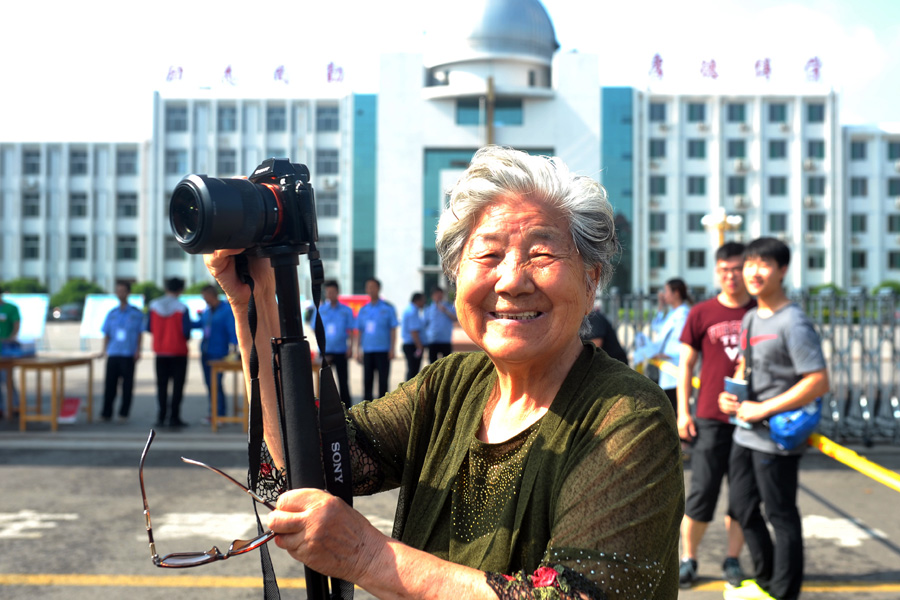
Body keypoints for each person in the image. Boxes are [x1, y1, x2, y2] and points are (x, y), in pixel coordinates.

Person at [204, 145, 683, 599]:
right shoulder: (450, 385)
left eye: (541, 253)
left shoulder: (626, 415)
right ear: (456, 276)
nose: (512, 280)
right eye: (488, 255)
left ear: (592, 278)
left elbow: (576, 594)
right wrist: (256, 303)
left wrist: (366, 555)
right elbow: (299, 467)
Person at [719, 238, 829, 600]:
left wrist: (764, 409)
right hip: (745, 434)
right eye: (749, 263)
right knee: (742, 509)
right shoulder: (751, 316)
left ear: (782, 270)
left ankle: (785, 591)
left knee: (781, 517)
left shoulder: (793, 321)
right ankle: (765, 579)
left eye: (763, 264)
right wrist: (732, 395)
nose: (753, 271)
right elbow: (746, 365)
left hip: (776, 439)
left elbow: (817, 381)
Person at [676, 243, 755, 589]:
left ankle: (733, 559)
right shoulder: (702, 313)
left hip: (752, 419)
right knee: (702, 492)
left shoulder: (759, 311)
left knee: (741, 496)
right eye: (724, 269)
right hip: (709, 415)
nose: (731, 275)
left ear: (746, 269)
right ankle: (688, 559)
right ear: (716, 271)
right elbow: (685, 366)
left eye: (736, 268)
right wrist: (683, 411)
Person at [147, 277, 192, 428]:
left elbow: (148, 327)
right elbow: (186, 332)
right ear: (181, 289)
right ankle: (174, 417)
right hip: (179, 352)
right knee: (177, 387)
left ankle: (161, 417)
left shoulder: (154, 306)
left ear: (166, 288)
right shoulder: (182, 308)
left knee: (161, 386)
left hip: (160, 352)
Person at [100, 281, 144, 422]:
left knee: (127, 386)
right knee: (110, 385)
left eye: (123, 290)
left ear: (128, 292)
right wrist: (104, 350)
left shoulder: (136, 313)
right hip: (113, 353)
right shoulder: (112, 313)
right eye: (118, 290)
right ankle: (106, 413)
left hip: (128, 353)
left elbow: (139, 334)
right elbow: (106, 333)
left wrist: (138, 350)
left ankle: (123, 413)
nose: (121, 293)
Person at [311, 280, 356, 408]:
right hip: (326, 350)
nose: (330, 294)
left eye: (332, 292)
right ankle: (326, 407)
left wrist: (350, 347)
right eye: (328, 292)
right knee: (325, 381)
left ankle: (347, 408)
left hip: (341, 350)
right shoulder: (320, 310)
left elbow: (352, 330)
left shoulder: (346, 310)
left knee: (343, 381)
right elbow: (315, 327)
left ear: (337, 292)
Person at [196, 284, 238, 420]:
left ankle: (220, 413)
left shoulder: (226, 310)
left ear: (211, 295)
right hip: (206, 351)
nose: (204, 299)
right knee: (209, 384)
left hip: (219, 352)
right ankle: (213, 412)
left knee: (217, 384)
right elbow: (200, 324)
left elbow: (232, 329)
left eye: (205, 296)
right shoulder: (207, 312)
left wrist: (235, 347)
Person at [650, 278, 692, 413]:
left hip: (674, 366)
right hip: (667, 367)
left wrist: (667, 354)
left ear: (676, 293)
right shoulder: (673, 313)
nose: (664, 294)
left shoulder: (683, 314)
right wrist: (661, 307)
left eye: (667, 291)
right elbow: (656, 326)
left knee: (673, 409)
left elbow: (683, 341)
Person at [355, 278, 398, 402]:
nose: (370, 289)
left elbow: (393, 329)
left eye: (373, 287)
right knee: (367, 380)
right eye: (368, 287)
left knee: (383, 381)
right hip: (368, 350)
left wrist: (392, 349)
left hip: (383, 350)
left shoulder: (388, 308)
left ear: (379, 288)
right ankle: (366, 408)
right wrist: (357, 350)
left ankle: (382, 407)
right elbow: (360, 331)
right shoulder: (363, 310)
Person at [0, 287, 21, 417]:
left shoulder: (11, 308)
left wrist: (11, 338)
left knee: (7, 379)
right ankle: (1, 409)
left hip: (6, 349)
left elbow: (16, 324)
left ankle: (15, 407)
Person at [423, 285, 457, 363]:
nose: (439, 296)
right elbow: (424, 325)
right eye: (436, 295)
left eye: (440, 294)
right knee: (432, 364)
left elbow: (455, 319)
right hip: (433, 341)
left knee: (446, 364)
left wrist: (445, 311)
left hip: (445, 340)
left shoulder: (448, 306)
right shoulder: (428, 309)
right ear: (432, 296)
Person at [400, 292, 426, 380]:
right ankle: (409, 392)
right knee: (413, 372)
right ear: (417, 301)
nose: (424, 302)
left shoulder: (410, 310)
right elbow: (414, 332)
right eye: (423, 300)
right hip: (413, 346)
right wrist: (419, 347)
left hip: (411, 345)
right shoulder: (413, 312)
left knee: (412, 370)